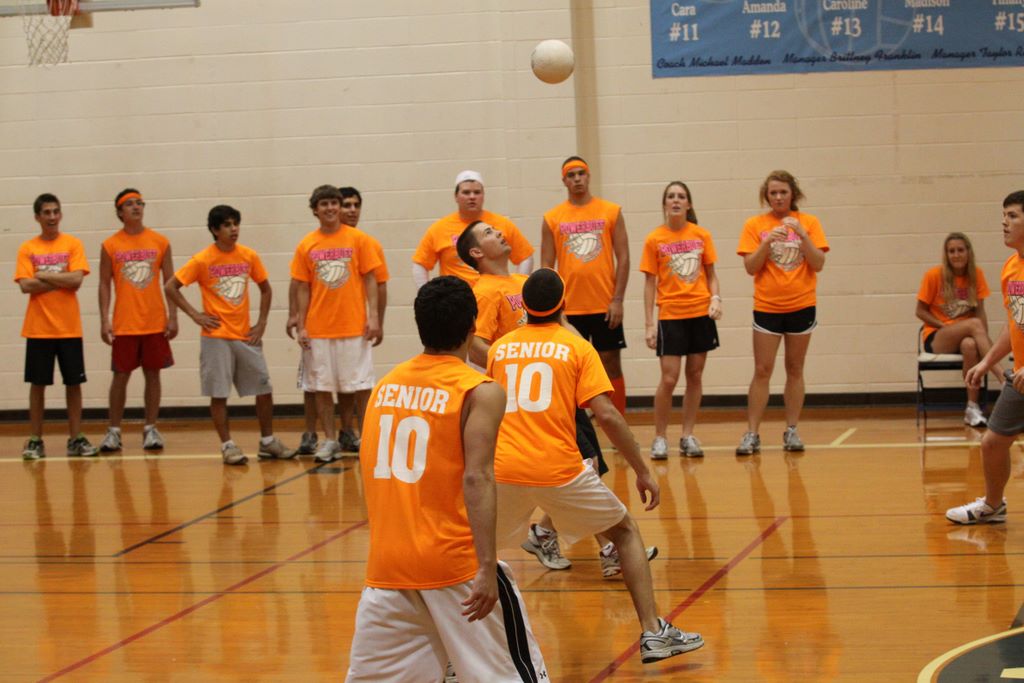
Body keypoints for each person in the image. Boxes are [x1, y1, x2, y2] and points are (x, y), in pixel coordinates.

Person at [488, 268, 704, 663]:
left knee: (477, 553)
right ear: (563, 304)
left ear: (525, 307)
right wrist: (642, 470)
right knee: (625, 532)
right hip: (558, 468)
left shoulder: (499, 349)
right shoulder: (576, 347)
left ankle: (456, 654)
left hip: (505, 468)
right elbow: (606, 414)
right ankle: (654, 632)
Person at [346, 276, 547, 682]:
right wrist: (486, 566)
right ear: (473, 327)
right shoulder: (479, 390)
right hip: (455, 568)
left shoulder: (384, 387)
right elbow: (477, 478)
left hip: (388, 568)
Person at [458, 221, 655, 578]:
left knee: (586, 464)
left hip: (555, 386)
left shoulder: (524, 282)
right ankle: (607, 547)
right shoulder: (484, 291)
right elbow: (475, 345)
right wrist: (519, 366)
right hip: (528, 395)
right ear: (475, 252)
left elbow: (560, 323)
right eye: (487, 233)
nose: (499, 233)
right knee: (581, 464)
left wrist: (579, 358)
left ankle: (551, 535)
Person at [164, 205, 293, 465]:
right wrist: (195, 315)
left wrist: (261, 323)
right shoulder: (202, 260)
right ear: (215, 230)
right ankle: (228, 445)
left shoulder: (248, 255)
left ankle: (268, 441)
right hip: (216, 337)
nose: (233, 229)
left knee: (264, 388)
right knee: (219, 393)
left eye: (236, 224)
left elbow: (266, 289)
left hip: (245, 336)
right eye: (227, 225)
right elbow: (170, 286)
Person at [288, 186, 387, 456]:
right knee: (321, 387)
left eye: (334, 203)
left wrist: (374, 317)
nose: (330, 208)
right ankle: (330, 440)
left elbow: (371, 279)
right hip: (318, 329)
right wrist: (302, 324)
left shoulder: (358, 239)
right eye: (324, 204)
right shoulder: (307, 244)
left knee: (360, 385)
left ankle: (366, 437)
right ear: (315, 210)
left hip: (354, 327)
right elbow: (302, 287)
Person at [735, 170, 828, 455]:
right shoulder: (755, 225)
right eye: (773, 193)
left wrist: (802, 235)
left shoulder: (809, 222)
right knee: (762, 370)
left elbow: (818, 263)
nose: (778, 197)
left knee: (795, 368)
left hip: (802, 304)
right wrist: (766, 242)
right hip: (767, 307)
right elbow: (750, 267)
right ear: (766, 196)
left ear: (792, 195)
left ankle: (792, 430)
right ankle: (752, 433)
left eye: (783, 192)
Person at [946, 191, 1024, 525]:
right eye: (1003, 215)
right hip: (1020, 377)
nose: (1004, 223)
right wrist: (986, 361)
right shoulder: (1011, 268)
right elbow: (1015, 324)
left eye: (1012, 216)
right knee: (992, 443)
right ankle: (993, 506)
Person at [540, 156, 630, 415]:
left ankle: (618, 420)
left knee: (610, 363)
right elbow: (546, 266)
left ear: (588, 176)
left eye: (581, 173)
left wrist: (617, 300)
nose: (577, 179)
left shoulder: (611, 211)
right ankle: (574, 424)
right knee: (570, 368)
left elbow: (623, 257)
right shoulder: (552, 218)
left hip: (605, 305)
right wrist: (553, 308)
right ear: (564, 181)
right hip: (569, 309)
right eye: (571, 175)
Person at [641, 181, 722, 459]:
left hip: (700, 314)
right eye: (671, 196)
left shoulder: (701, 235)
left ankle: (687, 435)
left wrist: (715, 299)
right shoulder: (654, 239)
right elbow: (649, 283)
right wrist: (649, 324)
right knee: (669, 378)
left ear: (689, 204)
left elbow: (711, 274)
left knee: (695, 375)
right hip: (671, 316)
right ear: (665, 204)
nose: (676, 200)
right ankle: (660, 437)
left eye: (681, 196)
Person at [15, 193, 98, 459]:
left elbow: (77, 281)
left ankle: (75, 439)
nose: (52, 217)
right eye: (46, 212)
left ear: (60, 214)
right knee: (37, 385)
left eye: (55, 212)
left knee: (74, 384)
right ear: (37, 217)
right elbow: (26, 285)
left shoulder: (73, 244)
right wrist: (61, 278)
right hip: (38, 329)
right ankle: (35, 440)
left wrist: (43, 275)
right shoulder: (28, 248)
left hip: (69, 329)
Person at [98, 188, 178, 452]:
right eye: (129, 204)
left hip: (154, 321)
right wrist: (104, 319)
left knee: (153, 375)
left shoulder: (160, 242)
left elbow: (170, 282)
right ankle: (114, 431)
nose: (136, 207)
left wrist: (173, 316)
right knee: (120, 376)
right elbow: (104, 284)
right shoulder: (110, 245)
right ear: (120, 212)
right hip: (125, 322)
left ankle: (150, 428)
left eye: (140, 203)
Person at [916, 232, 1002, 427]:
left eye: (960, 250)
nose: (956, 255)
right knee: (974, 325)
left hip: (967, 334)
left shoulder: (976, 275)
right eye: (951, 251)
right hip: (938, 336)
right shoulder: (934, 275)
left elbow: (980, 312)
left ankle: (972, 408)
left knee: (970, 345)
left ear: (968, 252)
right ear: (946, 255)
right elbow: (920, 311)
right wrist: (944, 325)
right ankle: (1002, 377)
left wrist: (982, 341)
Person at [412, 170, 533, 289]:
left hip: (494, 293)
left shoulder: (502, 224)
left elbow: (525, 257)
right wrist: (426, 295)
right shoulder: (439, 228)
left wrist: (518, 288)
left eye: (477, 192)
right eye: (466, 192)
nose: (472, 197)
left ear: (483, 196)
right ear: (456, 196)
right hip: (455, 296)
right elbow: (420, 264)